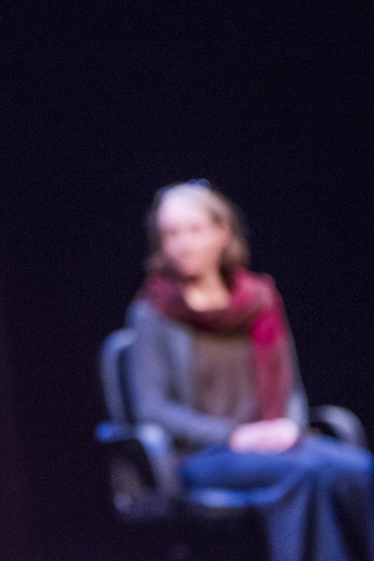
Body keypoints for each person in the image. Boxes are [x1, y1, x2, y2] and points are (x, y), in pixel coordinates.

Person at [128, 180, 374, 561]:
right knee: (307, 475)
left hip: (274, 442)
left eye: (194, 230)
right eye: (171, 234)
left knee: (357, 469)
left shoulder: (259, 300)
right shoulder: (153, 313)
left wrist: (289, 427)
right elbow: (153, 409)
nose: (183, 243)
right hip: (206, 454)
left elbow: (289, 384)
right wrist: (237, 435)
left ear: (221, 233)